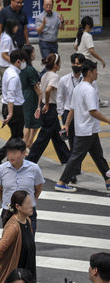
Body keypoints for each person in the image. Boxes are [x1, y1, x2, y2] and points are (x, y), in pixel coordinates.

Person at [57, 60, 110, 193]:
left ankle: (108, 180)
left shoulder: (78, 87)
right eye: (96, 71)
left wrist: (66, 125)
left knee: (98, 156)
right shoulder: (89, 90)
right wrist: (108, 121)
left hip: (88, 129)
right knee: (76, 157)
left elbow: (72, 109)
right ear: (90, 72)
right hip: (86, 129)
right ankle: (62, 182)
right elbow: (93, 111)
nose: (97, 74)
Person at [26, 53, 71, 165]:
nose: (60, 64)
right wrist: (46, 104)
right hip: (50, 108)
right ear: (56, 65)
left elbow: (41, 91)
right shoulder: (55, 77)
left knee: (56, 135)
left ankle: (66, 157)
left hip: (45, 108)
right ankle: (30, 159)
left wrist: (40, 105)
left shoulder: (45, 75)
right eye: (59, 62)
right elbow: (47, 90)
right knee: (43, 137)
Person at [0, 138, 43, 231]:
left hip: (28, 211)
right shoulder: (0, 169)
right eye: (9, 153)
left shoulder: (34, 168)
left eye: (14, 153)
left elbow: (38, 188)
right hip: (9, 210)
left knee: (28, 242)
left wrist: (30, 201)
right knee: (10, 242)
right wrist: (7, 202)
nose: (11, 156)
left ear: (24, 153)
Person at [0, 49, 26, 165]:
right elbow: (11, 96)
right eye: (23, 61)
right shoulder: (14, 76)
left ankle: (7, 156)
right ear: (18, 61)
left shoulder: (8, 71)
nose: (24, 64)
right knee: (17, 137)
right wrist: (10, 113)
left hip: (7, 106)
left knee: (16, 136)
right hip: (14, 108)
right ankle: (0, 155)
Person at [56, 52, 85, 184]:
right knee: (73, 142)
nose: (75, 65)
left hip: (82, 114)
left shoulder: (86, 79)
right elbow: (60, 98)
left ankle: (75, 168)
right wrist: (62, 114)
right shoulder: (64, 80)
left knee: (82, 143)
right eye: (74, 63)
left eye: (78, 63)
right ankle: (73, 171)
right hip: (69, 113)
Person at [19, 45, 41, 149]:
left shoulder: (21, 68)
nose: (34, 54)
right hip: (31, 97)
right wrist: (41, 97)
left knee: (29, 121)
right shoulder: (30, 69)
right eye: (33, 52)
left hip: (23, 95)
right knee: (29, 123)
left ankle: (28, 144)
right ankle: (26, 144)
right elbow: (36, 87)